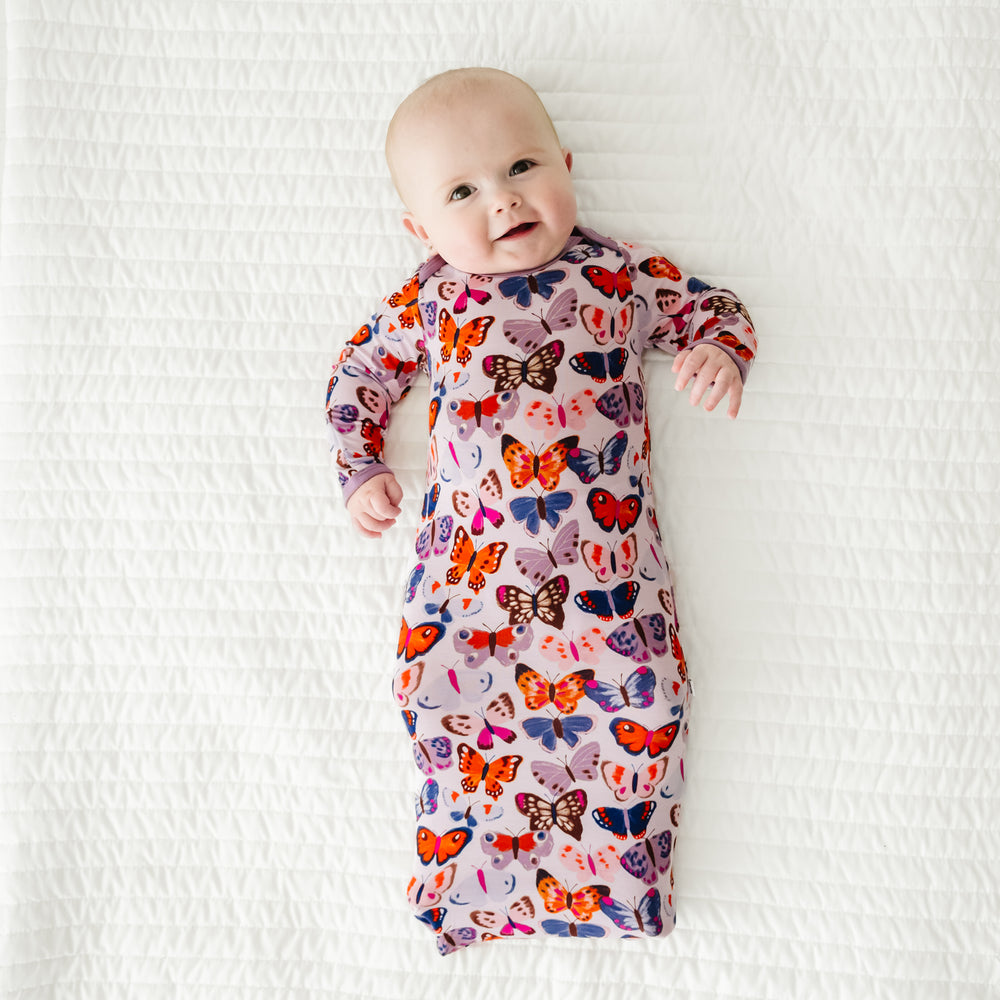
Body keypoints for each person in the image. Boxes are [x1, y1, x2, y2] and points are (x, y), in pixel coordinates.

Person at [324, 67, 756, 954]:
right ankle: (470, 892)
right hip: (470, 586)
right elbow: (359, 375)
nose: (503, 201)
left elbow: (712, 306)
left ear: (565, 162)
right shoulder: (431, 296)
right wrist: (360, 464)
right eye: (462, 191)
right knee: (450, 715)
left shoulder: (614, 275)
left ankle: (622, 885)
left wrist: (718, 349)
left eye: (522, 167)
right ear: (421, 227)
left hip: (607, 585)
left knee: (642, 709)